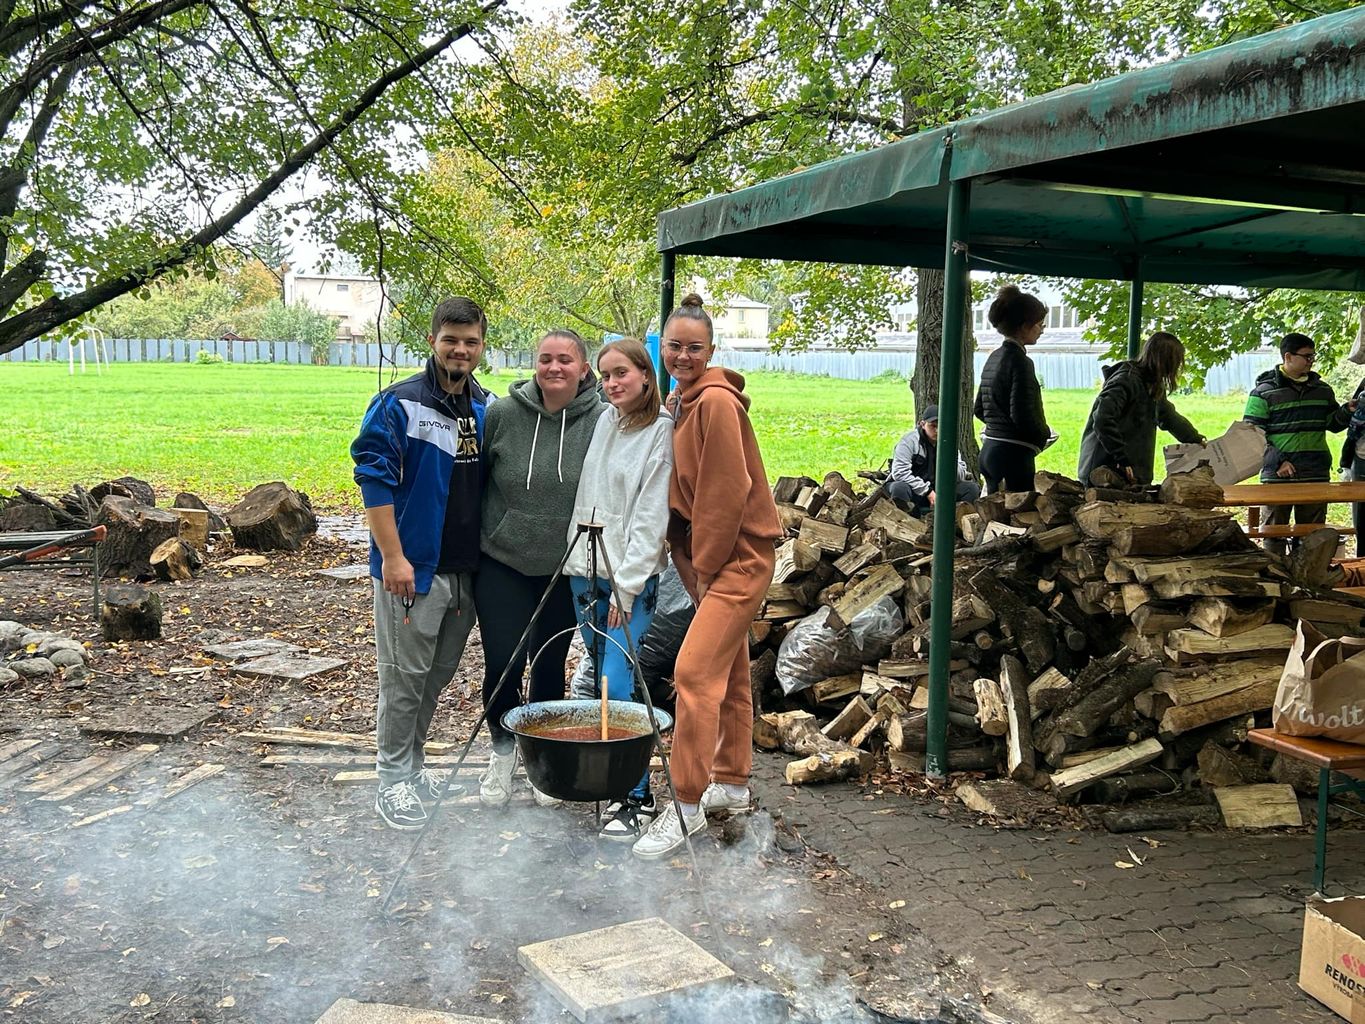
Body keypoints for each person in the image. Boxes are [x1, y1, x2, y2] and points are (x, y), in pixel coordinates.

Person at [633, 294, 783, 861]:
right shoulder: (682, 401)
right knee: (731, 671)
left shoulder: (716, 403)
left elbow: (725, 492)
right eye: (674, 346)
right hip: (710, 558)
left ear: (711, 350)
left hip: (736, 559)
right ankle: (733, 783)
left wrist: (706, 568)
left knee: (692, 674)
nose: (683, 356)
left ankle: (686, 804)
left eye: (694, 348)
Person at [351, 296, 493, 830]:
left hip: (466, 570)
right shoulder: (399, 404)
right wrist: (393, 556)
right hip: (413, 570)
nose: (460, 349)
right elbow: (374, 479)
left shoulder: (485, 407)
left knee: (434, 678)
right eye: (450, 339)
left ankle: (412, 769)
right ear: (432, 340)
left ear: (481, 346)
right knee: (403, 679)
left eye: (470, 341)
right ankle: (392, 780)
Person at [475, 329, 604, 807]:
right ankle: (502, 752)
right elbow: (478, 481)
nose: (554, 367)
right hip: (503, 561)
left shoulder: (603, 420)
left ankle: (542, 761)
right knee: (503, 663)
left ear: (584, 368)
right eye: (546, 358)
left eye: (565, 360)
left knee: (549, 664)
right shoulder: (502, 415)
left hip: (563, 567)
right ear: (535, 364)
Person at [562, 338, 673, 841]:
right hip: (584, 570)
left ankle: (636, 796)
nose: (612, 383)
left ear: (645, 374)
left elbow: (650, 518)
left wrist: (626, 591)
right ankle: (604, 777)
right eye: (605, 375)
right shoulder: (607, 420)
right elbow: (591, 493)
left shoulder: (660, 432)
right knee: (598, 673)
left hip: (628, 577)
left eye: (621, 373)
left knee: (617, 680)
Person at [1244, 332, 1355, 557]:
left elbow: (1332, 424)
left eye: (1313, 356)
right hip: (1277, 476)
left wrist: (1347, 411)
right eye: (1306, 356)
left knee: (1312, 537)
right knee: (1273, 533)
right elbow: (1251, 434)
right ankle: (1275, 574)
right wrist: (1278, 461)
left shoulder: (1323, 390)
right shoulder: (1263, 393)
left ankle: (1306, 577)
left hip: (1315, 473)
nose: (1311, 361)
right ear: (1288, 357)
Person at [1076, 332, 1205, 487]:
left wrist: (1196, 439)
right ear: (1166, 362)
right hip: (1103, 470)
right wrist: (1121, 458)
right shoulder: (1126, 380)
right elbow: (1102, 419)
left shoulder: (1152, 385)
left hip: (1126, 470)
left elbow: (1168, 417)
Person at [973, 284, 1052, 494]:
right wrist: (1044, 433)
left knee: (992, 512)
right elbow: (1023, 415)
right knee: (1017, 513)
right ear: (1024, 326)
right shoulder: (1021, 362)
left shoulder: (993, 357)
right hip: (1013, 456)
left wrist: (998, 426)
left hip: (990, 451)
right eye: (1039, 324)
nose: (1042, 330)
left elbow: (979, 408)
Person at [886, 404, 981, 515]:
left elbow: (960, 476)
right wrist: (927, 491)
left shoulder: (950, 443)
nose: (937, 430)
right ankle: (904, 520)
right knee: (899, 488)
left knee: (971, 488)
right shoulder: (908, 442)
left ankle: (959, 521)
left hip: (939, 490)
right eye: (933, 426)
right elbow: (899, 473)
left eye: (941, 426)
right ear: (922, 424)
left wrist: (950, 460)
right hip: (914, 490)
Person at [1340, 378, 1365, 556]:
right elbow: (1353, 429)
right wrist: (1345, 464)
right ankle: (1362, 562)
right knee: (1362, 519)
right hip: (1362, 458)